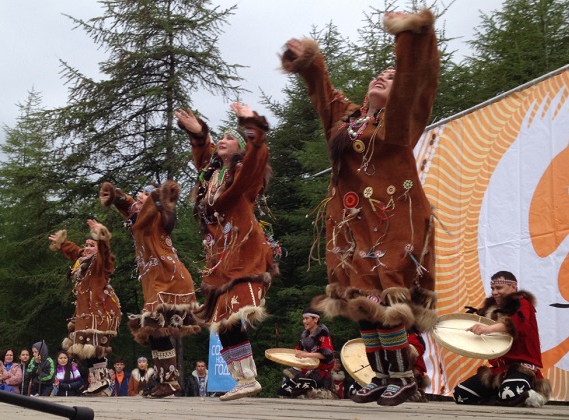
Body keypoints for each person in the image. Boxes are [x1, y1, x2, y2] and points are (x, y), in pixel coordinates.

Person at [280, 9, 440, 406]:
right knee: (362, 300)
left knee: (388, 297)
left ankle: (402, 378)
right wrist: (308, 60)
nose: (382, 78)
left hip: (393, 219)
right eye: (378, 75)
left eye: (390, 76)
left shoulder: (398, 120)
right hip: (351, 223)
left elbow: (413, 85)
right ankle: (379, 377)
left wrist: (410, 36)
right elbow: (323, 91)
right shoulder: (347, 118)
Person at [175, 102, 278, 401]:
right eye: (220, 137)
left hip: (244, 250)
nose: (223, 139)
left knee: (234, 312)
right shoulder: (212, 174)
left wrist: (250, 122)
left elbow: (259, 154)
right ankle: (244, 379)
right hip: (219, 256)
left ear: (240, 147)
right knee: (221, 320)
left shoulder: (245, 172)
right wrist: (198, 134)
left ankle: (248, 378)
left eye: (230, 137)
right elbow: (203, 155)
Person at [101, 176, 201, 399]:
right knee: (154, 332)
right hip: (154, 281)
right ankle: (166, 382)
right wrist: (113, 194)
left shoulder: (157, 215)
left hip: (170, 279)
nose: (139, 196)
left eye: (144, 194)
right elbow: (125, 202)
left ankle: (171, 383)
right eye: (139, 193)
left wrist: (163, 196)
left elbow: (168, 218)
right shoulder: (138, 216)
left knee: (158, 329)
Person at [452, 271, 551, 407]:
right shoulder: (493, 309)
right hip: (499, 370)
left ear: (513, 286)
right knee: (461, 394)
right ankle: (501, 397)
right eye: (493, 288)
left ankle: (533, 395)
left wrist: (487, 329)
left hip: (521, 368)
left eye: (499, 288)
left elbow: (518, 325)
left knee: (509, 393)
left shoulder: (523, 303)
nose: (494, 292)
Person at [49, 219, 122, 395]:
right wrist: (62, 243)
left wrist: (102, 237)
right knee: (85, 350)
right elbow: (75, 251)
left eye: (92, 245)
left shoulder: (101, 263)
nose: (87, 248)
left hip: (102, 311)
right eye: (86, 245)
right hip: (85, 313)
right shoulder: (83, 260)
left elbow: (105, 252)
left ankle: (102, 384)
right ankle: (97, 384)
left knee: (96, 348)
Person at [278, 308, 335, 398]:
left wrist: (306, 355)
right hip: (304, 369)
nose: (304, 321)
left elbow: (327, 354)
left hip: (319, 372)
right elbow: (297, 351)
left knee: (297, 388)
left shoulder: (323, 335)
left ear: (315, 319)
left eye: (307, 318)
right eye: (303, 319)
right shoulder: (304, 336)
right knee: (283, 388)